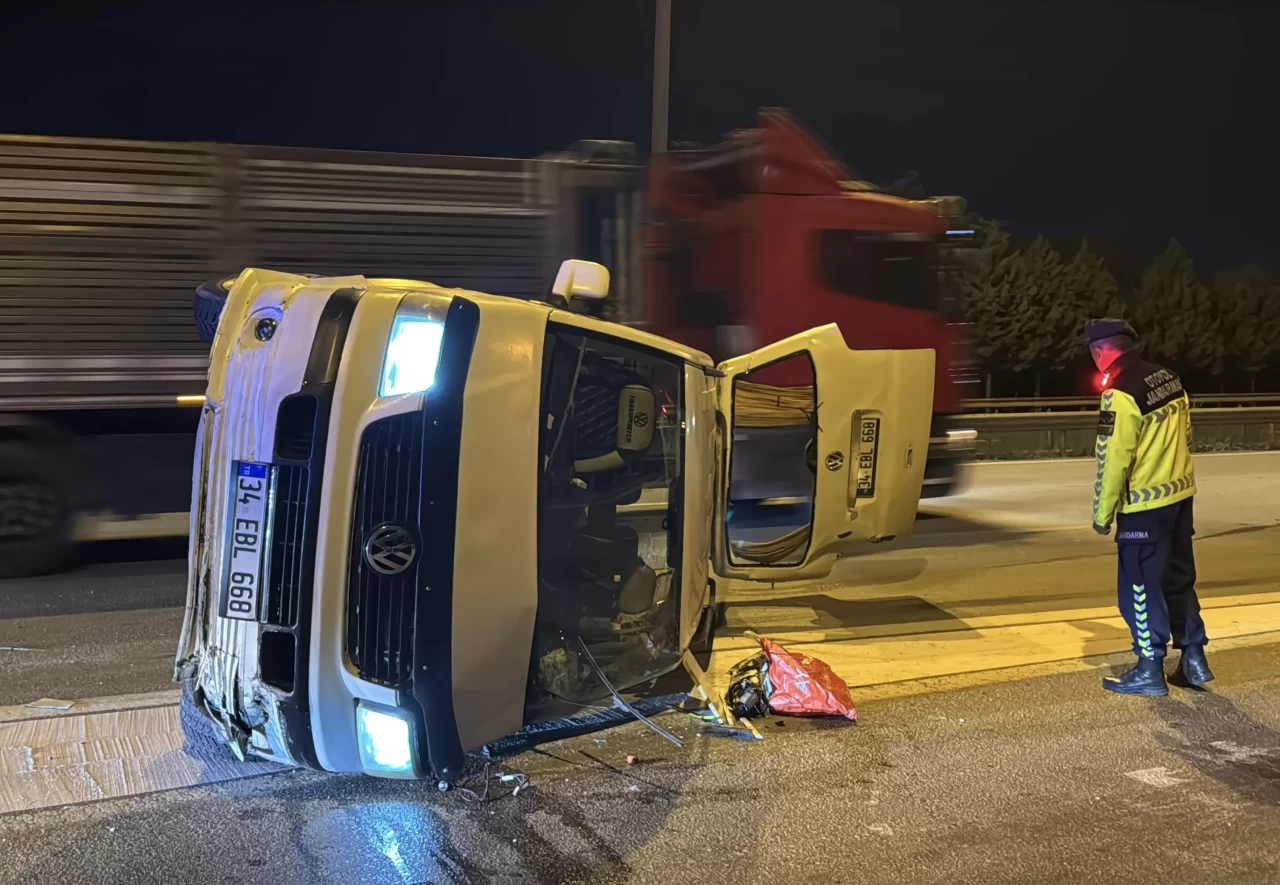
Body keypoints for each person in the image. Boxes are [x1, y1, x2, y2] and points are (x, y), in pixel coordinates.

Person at [1087, 318, 1211, 696]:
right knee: (1178, 579)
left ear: (1099, 352)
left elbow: (1114, 458)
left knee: (1139, 588)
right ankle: (1193, 658)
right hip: (1180, 498)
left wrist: (1102, 513)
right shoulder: (1168, 378)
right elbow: (1187, 437)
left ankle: (1149, 668)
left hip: (1144, 507)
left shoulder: (1119, 392)